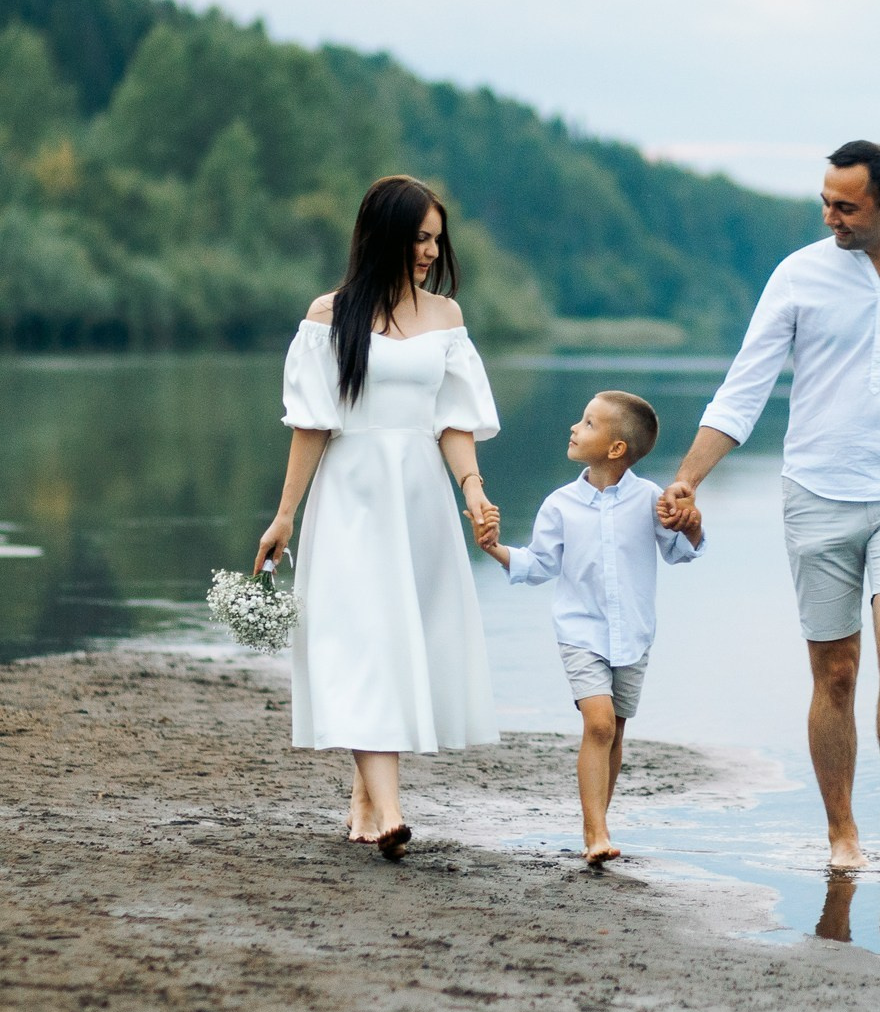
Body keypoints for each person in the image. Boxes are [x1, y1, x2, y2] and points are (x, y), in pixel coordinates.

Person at [655, 140, 880, 870]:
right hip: (815, 492)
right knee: (838, 671)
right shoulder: (799, 275)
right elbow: (744, 387)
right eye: (825, 201)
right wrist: (689, 478)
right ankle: (841, 829)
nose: (830, 217)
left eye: (845, 205)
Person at [254, 175, 501, 860]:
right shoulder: (330, 316)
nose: (430, 250)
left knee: (401, 641)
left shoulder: (446, 318)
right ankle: (389, 809)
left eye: (435, 239)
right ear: (385, 234)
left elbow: (454, 421)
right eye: (419, 237)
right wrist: (284, 517)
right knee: (363, 641)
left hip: (418, 495)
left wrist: (473, 491)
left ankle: (367, 798)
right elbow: (312, 424)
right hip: (352, 496)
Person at [474, 391, 704, 866]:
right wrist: (494, 547)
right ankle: (594, 830)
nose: (574, 428)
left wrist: (692, 526)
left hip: (635, 634)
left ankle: (599, 817)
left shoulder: (650, 499)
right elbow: (538, 565)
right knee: (597, 722)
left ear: (616, 449)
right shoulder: (560, 503)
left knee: (615, 731)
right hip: (580, 632)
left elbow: (680, 551)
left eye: (588, 423)